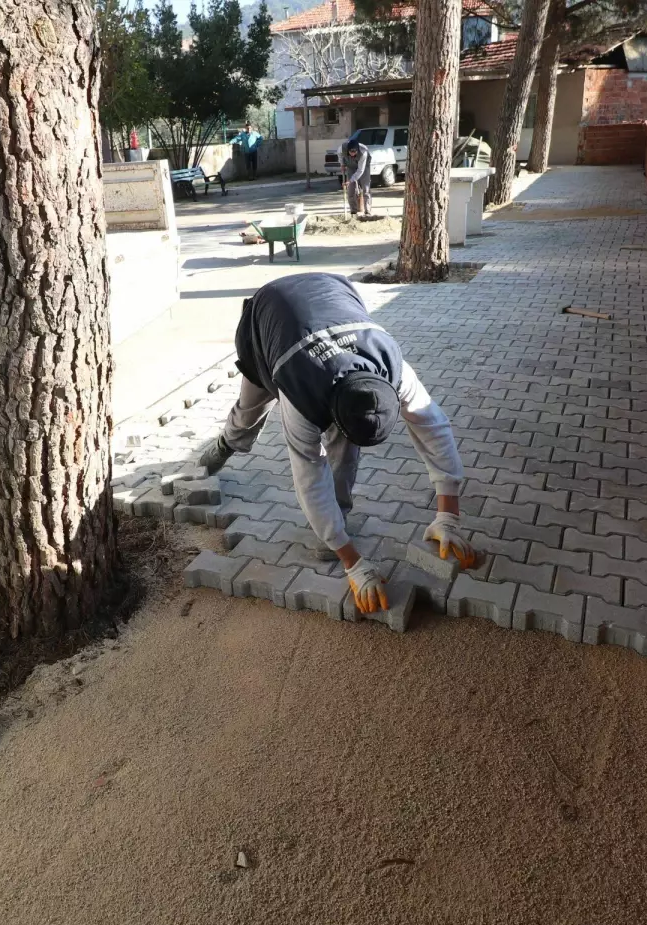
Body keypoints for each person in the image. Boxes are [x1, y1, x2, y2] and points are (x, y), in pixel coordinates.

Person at [199, 273, 479, 613]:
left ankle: (338, 523)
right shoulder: (299, 395)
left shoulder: (395, 369)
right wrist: (353, 563)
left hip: (331, 291)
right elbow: (308, 477)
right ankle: (225, 445)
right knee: (248, 412)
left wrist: (448, 515)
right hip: (272, 318)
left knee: (345, 448)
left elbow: (433, 427)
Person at [342, 138, 371, 216]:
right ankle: (353, 210)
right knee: (350, 188)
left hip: (364, 167)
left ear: (357, 150)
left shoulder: (363, 152)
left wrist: (351, 180)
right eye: (351, 152)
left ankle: (367, 210)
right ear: (348, 150)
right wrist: (342, 163)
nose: (352, 154)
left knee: (366, 188)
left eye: (354, 152)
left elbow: (360, 170)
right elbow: (340, 155)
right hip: (350, 165)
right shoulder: (343, 147)